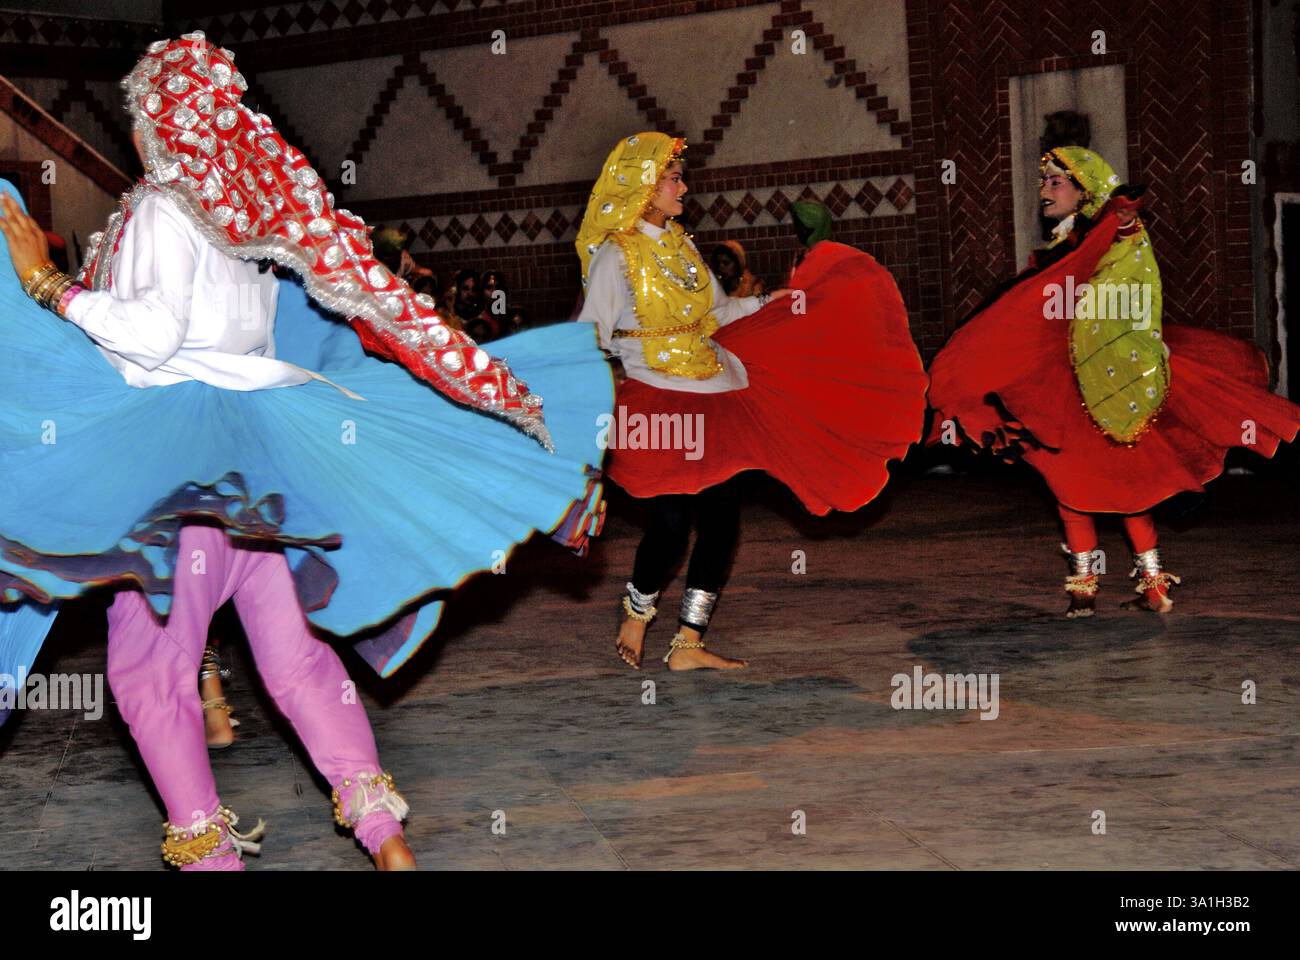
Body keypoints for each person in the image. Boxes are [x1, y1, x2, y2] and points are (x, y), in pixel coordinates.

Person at [0, 32, 611, 869]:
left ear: (159, 121)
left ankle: (210, 854)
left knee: (151, 672)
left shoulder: (161, 211)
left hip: (172, 478)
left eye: (142, 114)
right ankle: (384, 837)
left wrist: (46, 286)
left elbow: (148, 338)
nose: (137, 130)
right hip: (270, 470)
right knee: (296, 662)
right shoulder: (249, 229)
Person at [576, 132, 928, 669]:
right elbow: (589, 337)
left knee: (720, 521)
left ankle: (689, 643)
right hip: (656, 402)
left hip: (717, 394)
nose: (683, 187)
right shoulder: (615, 258)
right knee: (670, 523)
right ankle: (637, 611)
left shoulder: (683, 246)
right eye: (673, 178)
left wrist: (770, 302)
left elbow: (715, 316)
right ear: (645, 187)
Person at [927, 146, 1300, 617]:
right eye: (1044, 182)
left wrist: (1116, 220)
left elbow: (1124, 292)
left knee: (1096, 485)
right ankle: (1137, 586)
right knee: (1101, 486)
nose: (1043, 190)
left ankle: (1102, 590)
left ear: (1085, 191)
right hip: (1065, 381)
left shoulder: (1110, 237)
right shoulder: (1069, 244)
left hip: (1098, 381)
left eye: (1055, 182)